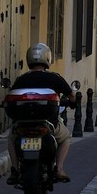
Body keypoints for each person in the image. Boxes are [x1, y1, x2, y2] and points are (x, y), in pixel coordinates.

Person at [7, 43, 75, 183]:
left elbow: (10, 97)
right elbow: (72, 96)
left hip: (22, 126)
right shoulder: (55, 78)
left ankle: (15, 170)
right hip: (48, 125)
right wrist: (72, 102)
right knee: (66, 138)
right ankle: (59, 168)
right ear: (47, 58)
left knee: (11, 139)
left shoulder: (21, 79)